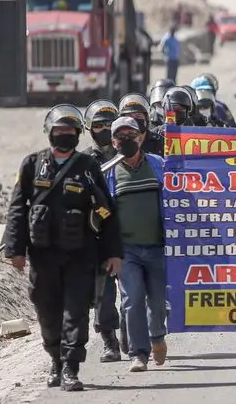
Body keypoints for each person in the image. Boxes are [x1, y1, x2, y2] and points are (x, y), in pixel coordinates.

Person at [4, 105, 122, 391]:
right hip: (42, 257)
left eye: (70, 131)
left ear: (78, 134)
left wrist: (113, 252)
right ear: (49, 133)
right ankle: (55, 359)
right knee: (48, 314)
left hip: (80, 256)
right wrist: (15, 250)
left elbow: (106, 211)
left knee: (75, 313)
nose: (64, 135)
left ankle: (70, 368)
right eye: (59, 131)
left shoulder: (88, 167)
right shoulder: (32, 164)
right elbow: (17, 209)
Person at [105, 117, 169, 372]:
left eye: (131, 135)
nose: (126, 140)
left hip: (157, 246)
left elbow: (178, 196)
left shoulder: (158, 164)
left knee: (157, 300)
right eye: (120, 136)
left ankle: (157, 337)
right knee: (132, 300)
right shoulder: (108, 172)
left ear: (140, 137)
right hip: (126, 251)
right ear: (113, 142)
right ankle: (138, 354)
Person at [83, 100, 122, 362]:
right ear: (89, 128)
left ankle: (138, 335)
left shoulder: (129, 151)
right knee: (104, 293)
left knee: (137, 290)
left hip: (131, 231)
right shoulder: (83, 161)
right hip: (100, 234)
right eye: (99, 125)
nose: (105, 129)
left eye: (110, 124)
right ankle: (109, 340)